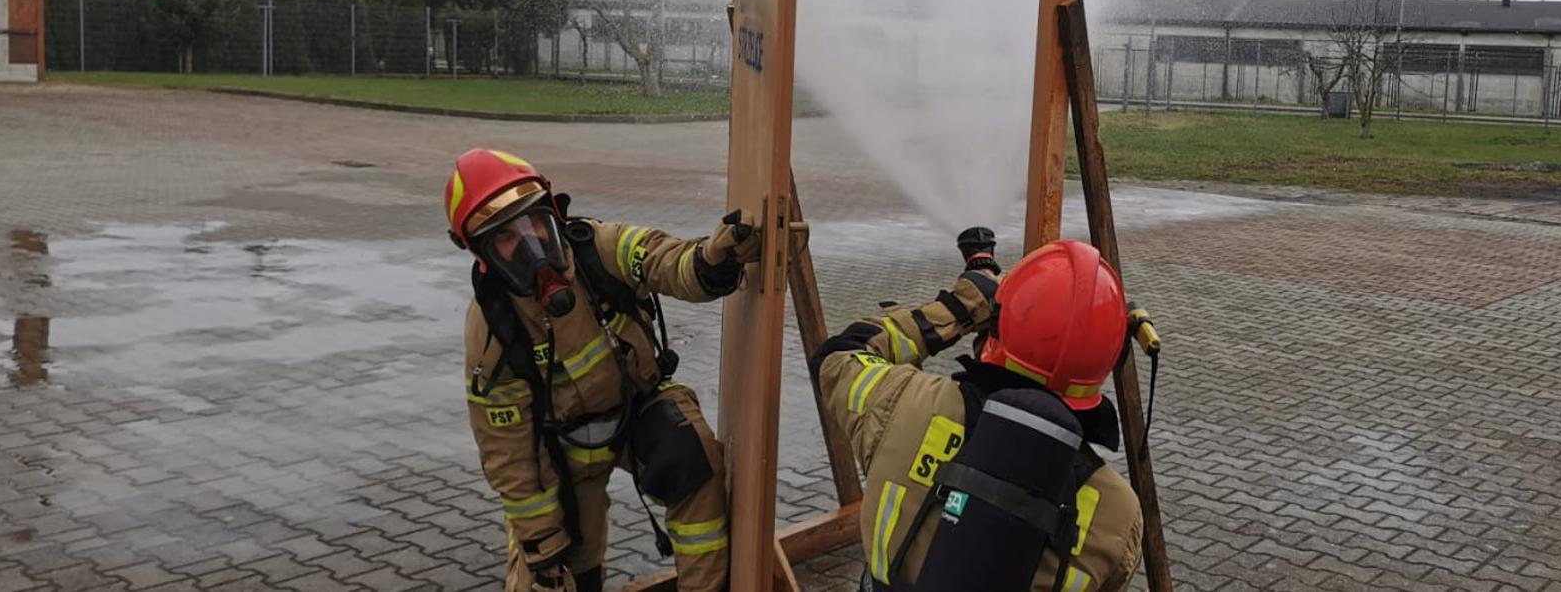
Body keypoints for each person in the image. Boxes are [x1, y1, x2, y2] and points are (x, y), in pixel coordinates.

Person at [444, 148, 759, 592]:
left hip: (636, 412)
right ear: (481, 253)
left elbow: (662, 259)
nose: (531, 244)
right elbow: (507, 452)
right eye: (507, 238)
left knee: (692, 457)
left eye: (535, 222)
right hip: (562, 453)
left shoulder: (596, 248)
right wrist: (541, 540)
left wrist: (710, 262)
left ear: (552, 212)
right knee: (558, 574)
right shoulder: (492, 329)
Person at [813, 234, 1146, 592]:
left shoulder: (903, 402)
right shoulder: (1118, 512)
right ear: (1112, 356)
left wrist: (963, 305)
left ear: (998, 324)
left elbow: (839, 355)